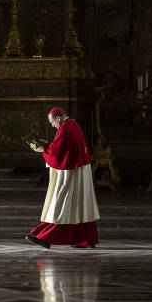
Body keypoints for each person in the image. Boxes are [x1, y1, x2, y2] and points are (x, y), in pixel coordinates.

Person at [26, 107, 100, 249]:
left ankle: (46, 238)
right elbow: (62, 146)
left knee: (61, 203)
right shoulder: (72, 125)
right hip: (79, 169)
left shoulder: (65, 128)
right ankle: (83, 239)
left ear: (58, 118)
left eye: (52, 122)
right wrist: (48, 144)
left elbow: (59, 152)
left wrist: (41, 149)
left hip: (70, 172)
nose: (52, 125)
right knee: (79, 206)